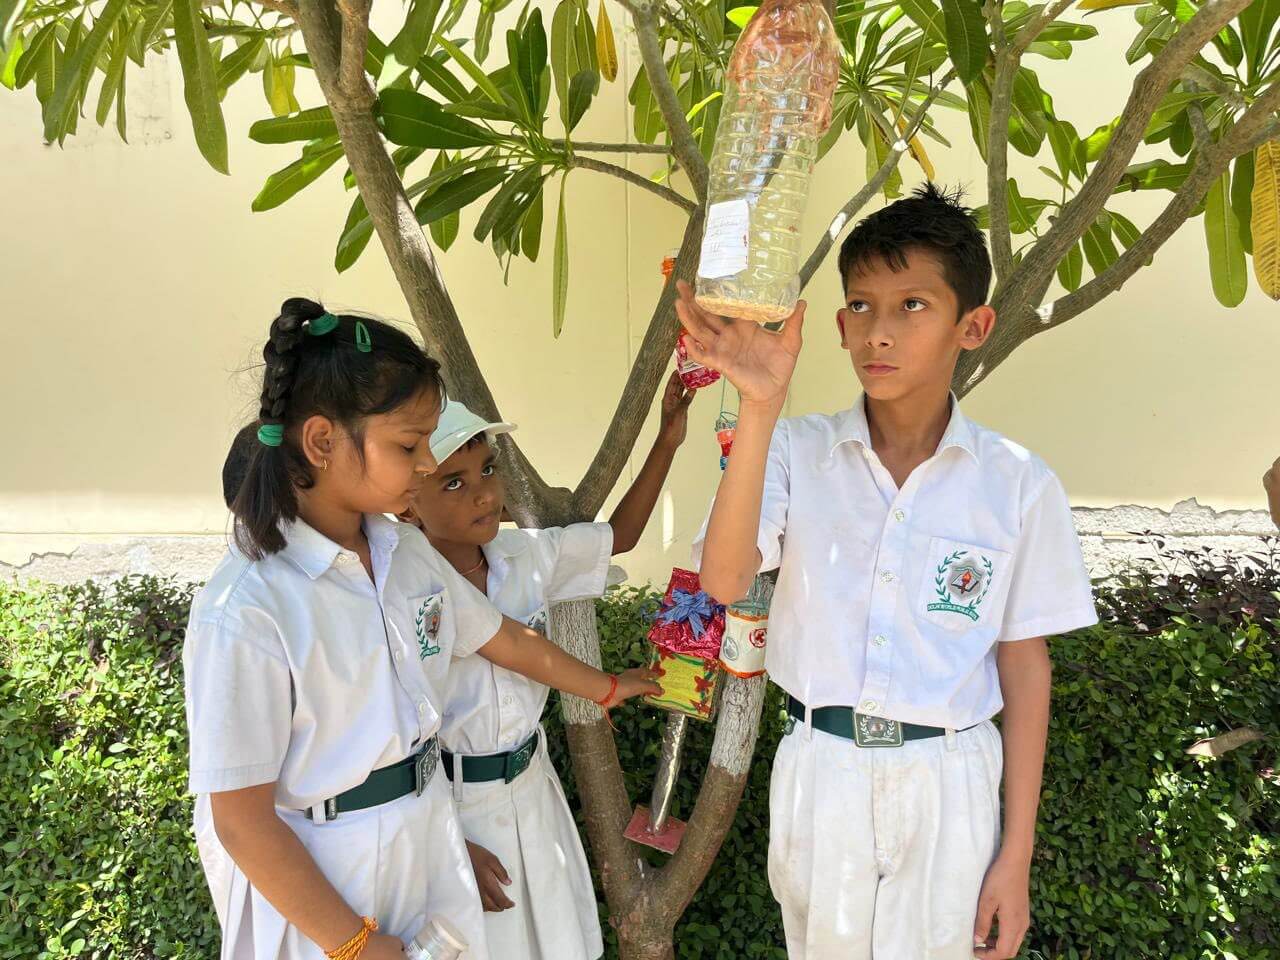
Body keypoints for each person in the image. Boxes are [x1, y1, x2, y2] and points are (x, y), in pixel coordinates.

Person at [683, 184, 1098, 960]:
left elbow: (1024, 664)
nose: (880, 331)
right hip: (823, 771)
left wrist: (1016, 854)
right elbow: (725, 579)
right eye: (862, 306)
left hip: (950, 778)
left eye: (913, 306)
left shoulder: (1016, 484)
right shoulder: (794, 451)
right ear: (840, 325)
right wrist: (759, 408)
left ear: (972, 326)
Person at [184, 298, 659, 960]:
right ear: (322, 442)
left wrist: (607, 689)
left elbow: (505, 640)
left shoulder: (405, 555)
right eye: (409, 446)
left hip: (428, 852)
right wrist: (352, 943)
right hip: (329, 881)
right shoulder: (248, 608)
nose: (428, 465)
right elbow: (241, 820)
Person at [399, 371, 694, 960]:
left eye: (487, 470)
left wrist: (667, 440)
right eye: (453, 482)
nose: (484, 494)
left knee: (555, 940)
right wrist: (447, 842)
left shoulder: (523, 555)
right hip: (452, 808)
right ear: (408, 505)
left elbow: (621, 536)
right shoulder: (402, 589)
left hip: (534, 789)